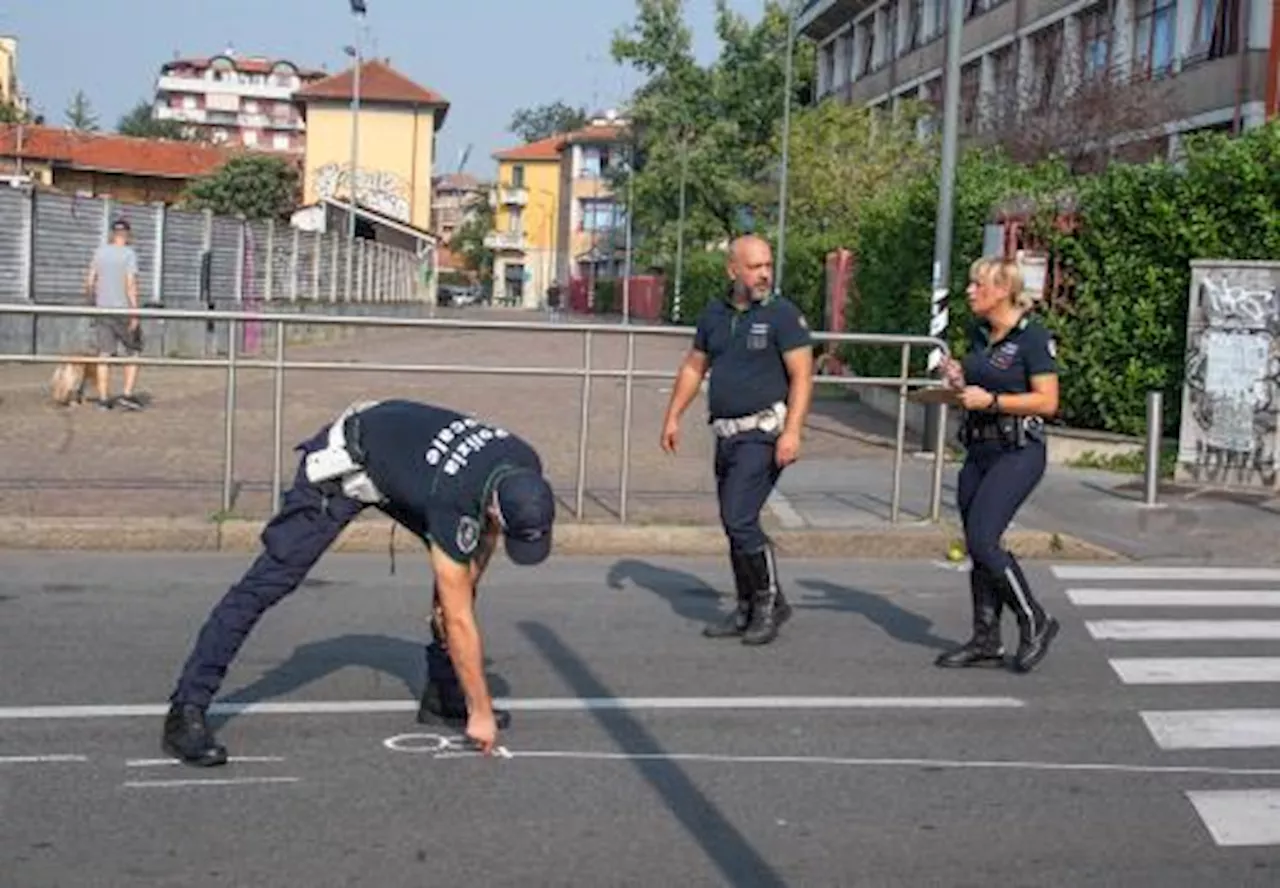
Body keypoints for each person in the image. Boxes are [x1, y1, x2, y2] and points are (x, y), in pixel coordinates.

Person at [161, 399, 556, 766]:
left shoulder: (524, 460)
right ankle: (186, 709)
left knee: (457, 582)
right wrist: (482, 711)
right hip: (349, 461)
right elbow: (458, 617)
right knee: (269, 580)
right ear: (494, 505)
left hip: (406, 461)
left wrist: (465, 586)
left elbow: (479, 545)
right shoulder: (453, 497)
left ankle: (443, 693)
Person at [660, 235, 814, 646]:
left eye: (767, 265)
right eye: (755, 267)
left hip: (763, 433)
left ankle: (768, 604)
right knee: (734, 524)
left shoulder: (782, 315)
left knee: (740, 517)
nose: (764, 274)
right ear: (733, 270)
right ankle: (747, 605)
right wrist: (673, 415)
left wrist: (793, 431)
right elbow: (695, 366)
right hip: (725, 435)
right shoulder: (715, 314)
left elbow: (802, 375)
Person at [934, 257, 1061, 673]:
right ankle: (985, 638)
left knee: (986, 538)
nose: (970, 291)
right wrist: (957, 379)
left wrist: (992, 401)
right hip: (980, 449)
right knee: (975, 543)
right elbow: (978, 382)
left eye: (978, 284)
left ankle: (1034, 620)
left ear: (1004, 289)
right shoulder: (980, 334)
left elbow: (1048, 400)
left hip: (1018, 450)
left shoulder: (1031, 338)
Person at [83, 217, 143, 411]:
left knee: (104, 354)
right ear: (127, 234)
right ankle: (127, 394)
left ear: (112, 234)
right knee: (133, 352)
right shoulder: (129, 254)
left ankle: (103, 399)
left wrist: (92, 302)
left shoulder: (99, 252)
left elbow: (90, 281)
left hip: (103, 310)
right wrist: (135, 312)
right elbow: (130, 284)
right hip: (123, 309)